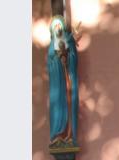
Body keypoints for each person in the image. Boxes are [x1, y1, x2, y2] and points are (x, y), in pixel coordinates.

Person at [47, 15, 79, 147]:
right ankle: (57, 134)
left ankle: (70, 134)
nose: (58, 28)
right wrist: (57, 59)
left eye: (60, 25)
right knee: (57, 106)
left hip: (67, 82)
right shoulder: (51, 47)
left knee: (69, 103)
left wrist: (67, 56)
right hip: (57, 84)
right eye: (55, 26)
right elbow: (50, 64)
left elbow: (73, 57)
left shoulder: (69, 41)